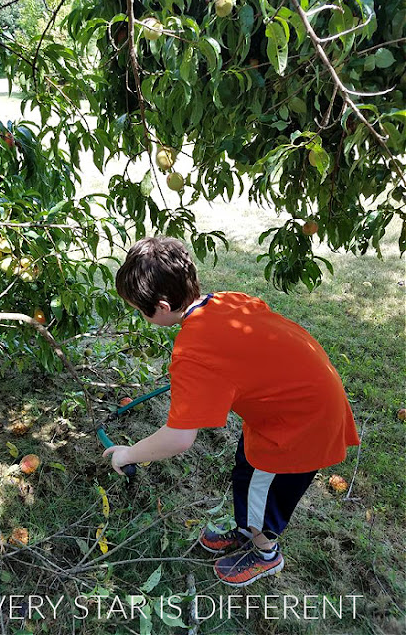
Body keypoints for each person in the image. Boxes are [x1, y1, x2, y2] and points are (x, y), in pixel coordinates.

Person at [103, 236, 360, 587]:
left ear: (162, 306)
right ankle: (245, 528)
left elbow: (178, 438)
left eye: (139, 309)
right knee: (248, 473)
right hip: (290, 406)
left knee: (264, 492)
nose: (140, 314)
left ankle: (265, 552)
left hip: (299, 426)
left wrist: (128, 453)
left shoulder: (194, 354)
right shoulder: (226, 301)